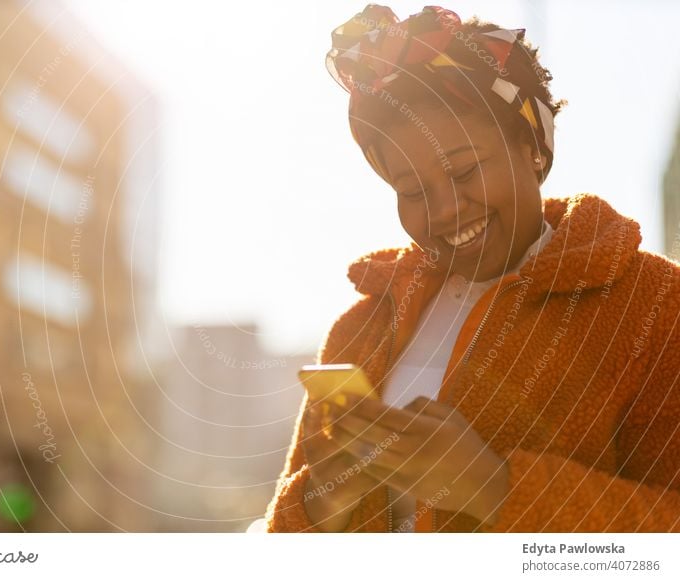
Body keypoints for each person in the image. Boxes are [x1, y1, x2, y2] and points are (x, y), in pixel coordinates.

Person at [264, 4, 680, 533]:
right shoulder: (360, 329)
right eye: (411, 190)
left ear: (531, 145)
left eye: (463, 170)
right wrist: (321, 504)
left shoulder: (657, 308)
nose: (442, 211)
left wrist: (493, 487)